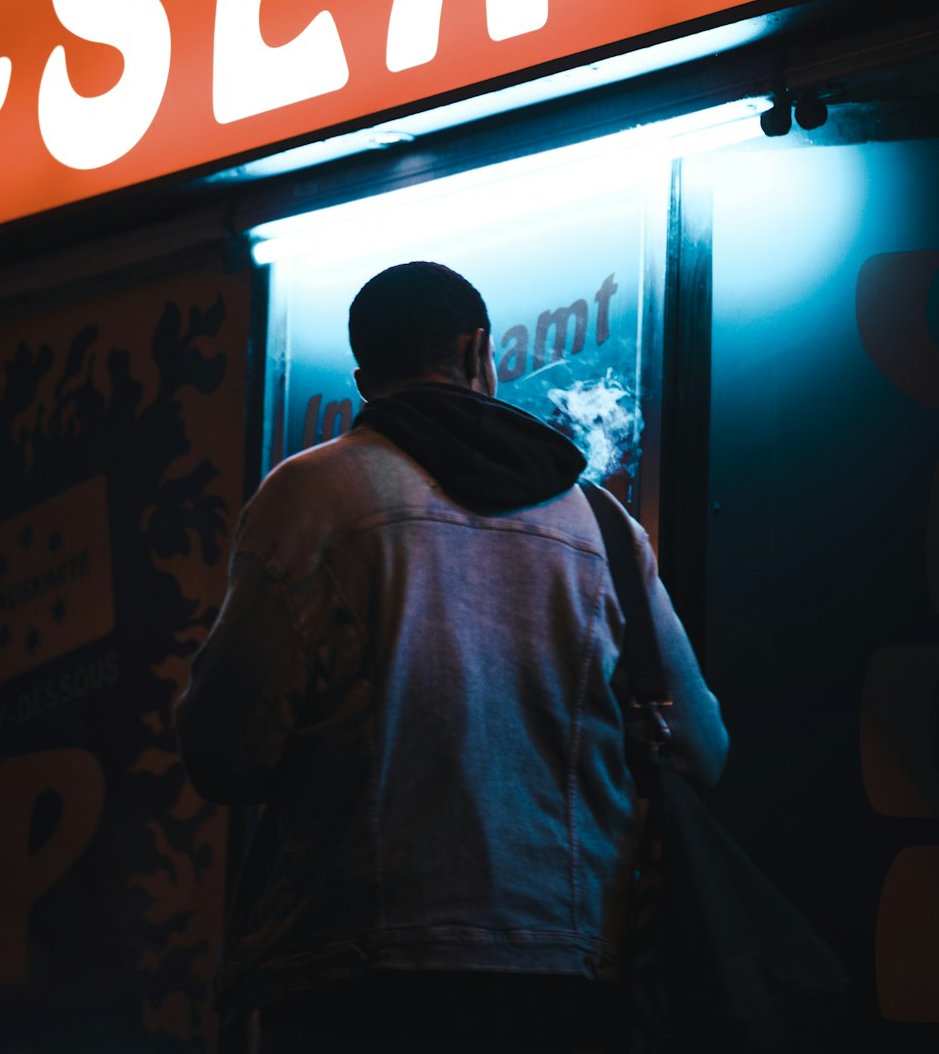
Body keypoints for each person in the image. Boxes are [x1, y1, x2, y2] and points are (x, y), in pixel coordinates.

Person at [174, 261, 728, 1052]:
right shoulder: (601, 525)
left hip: (359, 973)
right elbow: (702, 751)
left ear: (366, 380)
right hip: (571, 968)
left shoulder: (310, 498)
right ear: (479, 352)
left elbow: (225, 756)